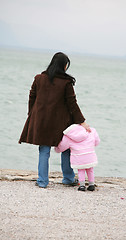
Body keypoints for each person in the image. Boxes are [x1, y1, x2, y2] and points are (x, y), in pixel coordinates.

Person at [19, 52, 90, 188]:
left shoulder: (39, 78)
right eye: (66, 65)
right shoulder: (66, 82)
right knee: (66, 149)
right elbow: (72, 103)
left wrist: (32, 116)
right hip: (61, 123)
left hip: (42, 121)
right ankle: (68, 178)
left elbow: (32, 98)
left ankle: (42, 181)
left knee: (44, 150)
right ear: (63, 66)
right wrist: (82, 122)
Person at [55, 124, 100, 191]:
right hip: (90, 155)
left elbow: (62, 147)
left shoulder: (69, 136)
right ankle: (91, 184)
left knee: (81, 170)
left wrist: (56, 149)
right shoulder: (91, 131)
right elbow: (97, 141)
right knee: (90, 170)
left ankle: (82, 185)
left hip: (79, 157)